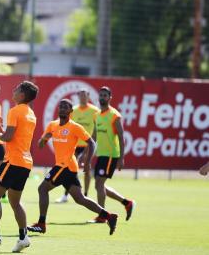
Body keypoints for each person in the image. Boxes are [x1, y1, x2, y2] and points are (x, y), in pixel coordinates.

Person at [27, 99, 117, 235]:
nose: (62, 108)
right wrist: (43, 140)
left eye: (66, 107)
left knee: (42, 189)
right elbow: (41, 144)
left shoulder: (75, 127)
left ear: (71, 111)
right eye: (61, 106)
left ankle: (41, 223)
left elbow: (91, 143)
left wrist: (87, 161)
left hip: (65, 165)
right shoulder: (52, 125)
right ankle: (109, 216)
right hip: (67, 167)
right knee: (80, 199)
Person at [0, 81, 38, 253]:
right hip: (26, 163)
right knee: (15, 202)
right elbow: (16, 136)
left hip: (12, 161)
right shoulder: (31, 113)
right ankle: (23, 237)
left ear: (22, 95)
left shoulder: (15, 110)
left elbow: (9, 137)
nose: (13, 89)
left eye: (17, 89)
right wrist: (3, 132)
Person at [91, 86, 134, 223]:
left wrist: (122, 158)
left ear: (110, 98)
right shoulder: (96, 115)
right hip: (101, 155)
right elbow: (94, 137)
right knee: (99, 186)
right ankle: (126, 202)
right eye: (101, 95)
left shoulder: (114, 115)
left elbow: (122, 137)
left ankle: (102, 215)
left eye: (105, 95)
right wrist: (88, 154)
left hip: (111, 155)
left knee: (98, 185)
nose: (102, 97)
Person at [56, 88, 100, 203]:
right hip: (74, 145)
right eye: (80, 95)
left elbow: (96, 131)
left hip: (88, 145)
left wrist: (88, 148)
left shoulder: (95, 111)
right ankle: (66, 195)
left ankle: (85, 194)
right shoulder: (73, 110)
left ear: (88, 96)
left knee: (86, 169)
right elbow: (64, 124)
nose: (82, 97)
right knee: (68, 169)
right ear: (78, 97)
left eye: (84, 95)